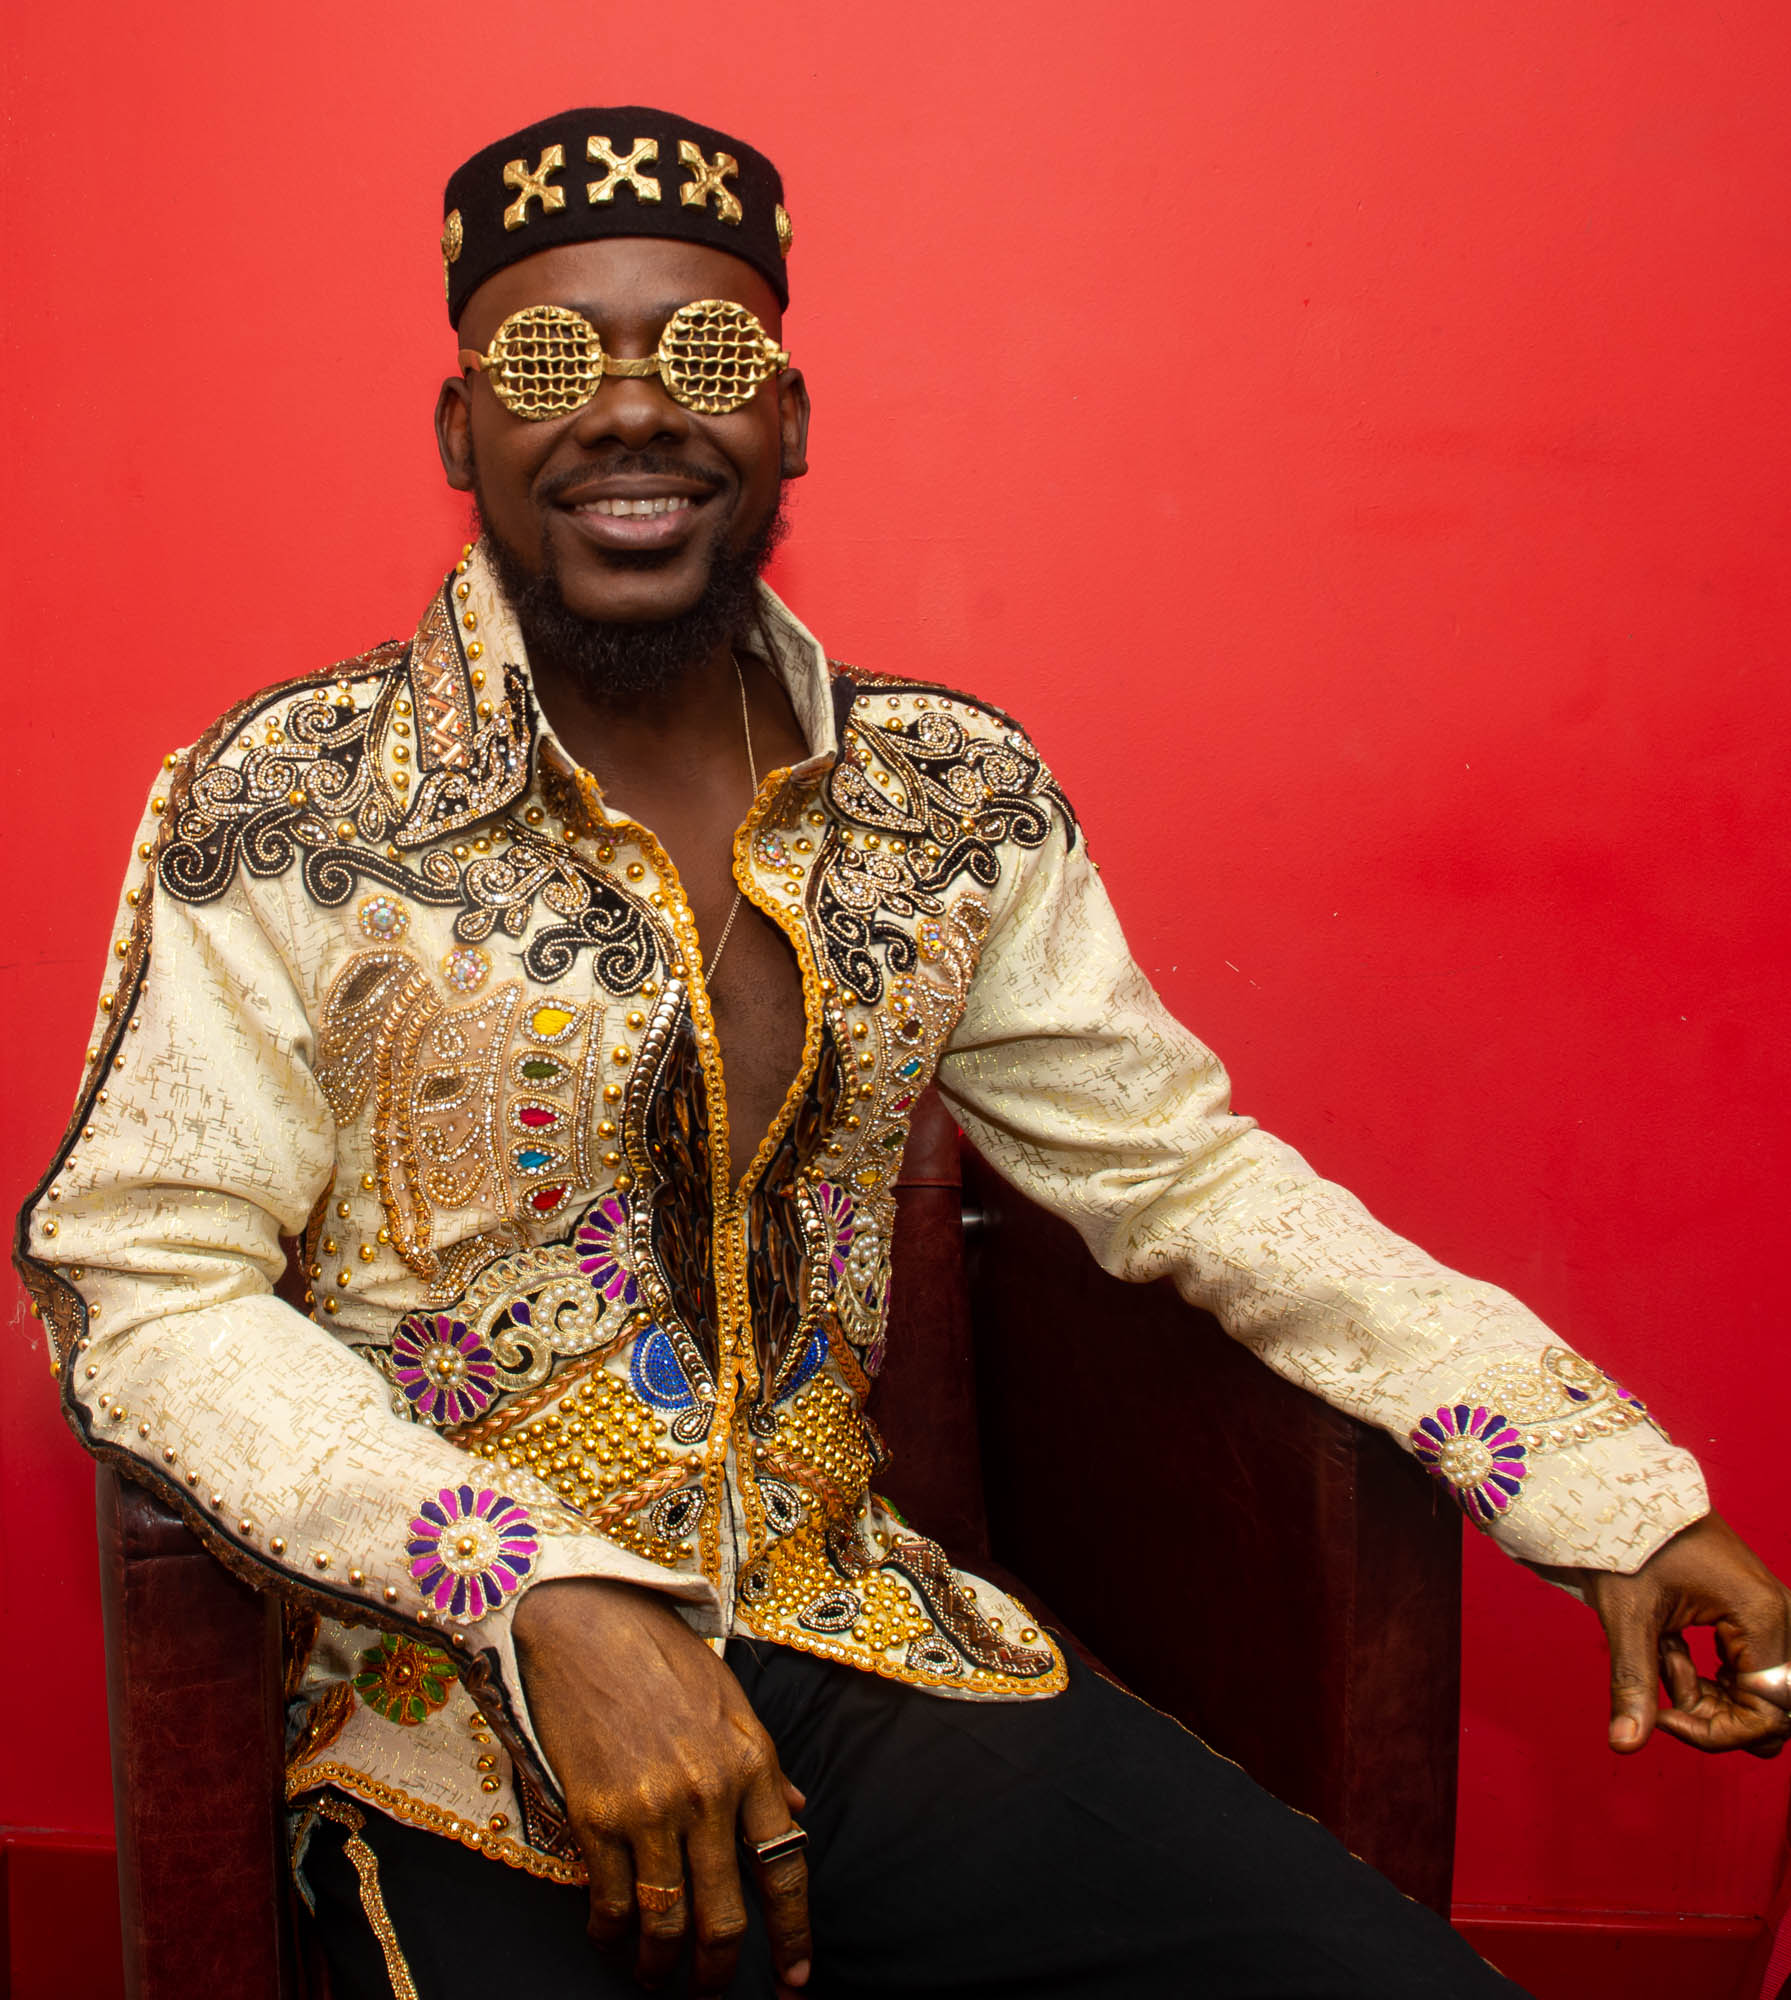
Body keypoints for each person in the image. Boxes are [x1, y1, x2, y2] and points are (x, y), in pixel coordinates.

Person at [16, 104, 1789, 2000]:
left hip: (857, 1634)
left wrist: (1607, 1494)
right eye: (549, 360)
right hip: (444, 1713)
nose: (630, 412)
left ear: (787, 422)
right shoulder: (285, 804)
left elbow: (1176, 1169)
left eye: (702, 357)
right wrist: (541, 1593)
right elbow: (146, 1282)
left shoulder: (952, 799)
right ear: (464, 433)